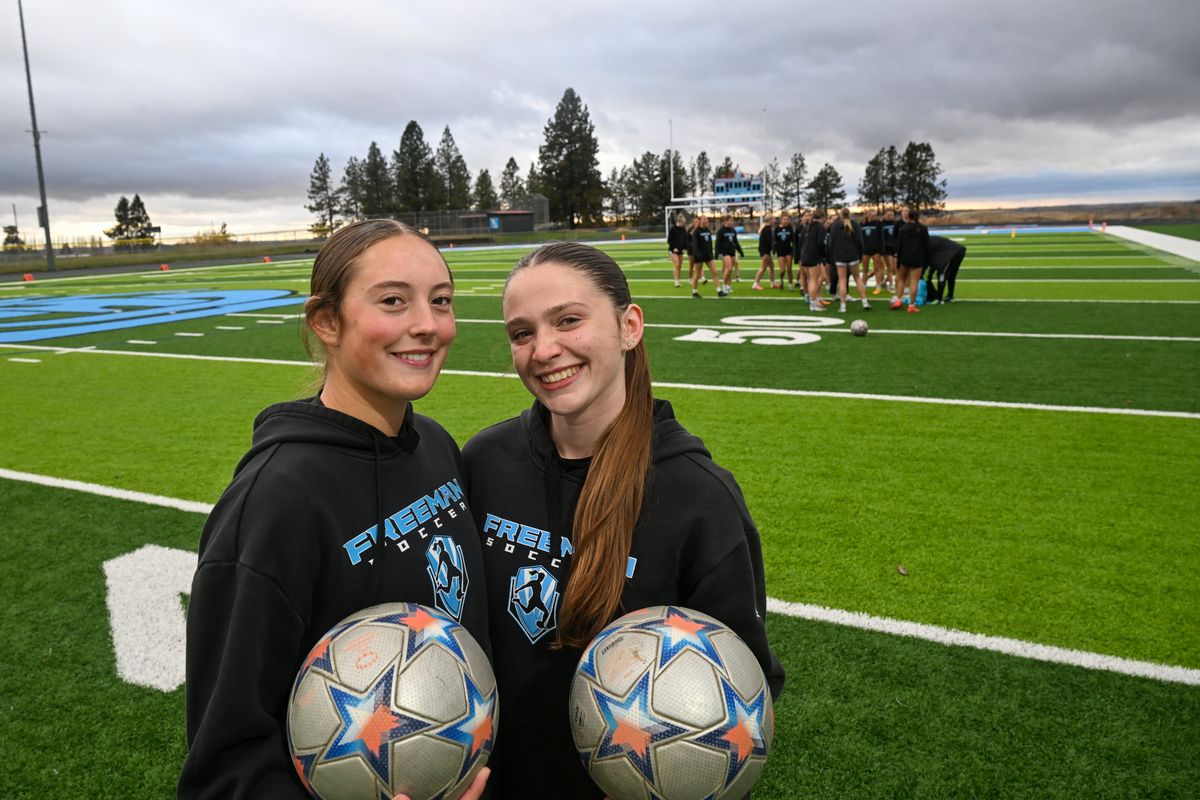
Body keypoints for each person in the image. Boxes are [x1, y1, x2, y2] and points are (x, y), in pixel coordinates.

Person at [179, 220, 491, 800]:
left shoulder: (439, 447)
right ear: (326, 321)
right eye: (393, 301)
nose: (427, 324)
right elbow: (225, 770)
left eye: (441, 301)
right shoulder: (276, 501)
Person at [463, 242, 785, 799]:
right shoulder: (485, 461)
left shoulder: (697, 497)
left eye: (568, 320)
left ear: (629, 326)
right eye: (522, 333)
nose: (544, 350)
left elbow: (744, 687)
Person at [828, 207, 870, 313]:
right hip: (853, 255)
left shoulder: (835, 225)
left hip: (839, 256)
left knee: (842, 280)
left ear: (840, 215)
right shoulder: (855, 224)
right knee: (857, 279)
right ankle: (865, 302)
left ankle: (843, 306)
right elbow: (860, 241)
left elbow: (831, 242)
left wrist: (831, 256)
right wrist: (859, 255)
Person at [893, 209, 930, 313]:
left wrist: (898, 260)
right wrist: (927, 260)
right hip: (917, 258)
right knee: (914, 282)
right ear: (917, 217)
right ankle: (911, 305)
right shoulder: (923, 229)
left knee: (901, 279)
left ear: (908, 217)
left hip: (905, 257)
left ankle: (898, 300)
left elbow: (899, 246)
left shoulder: (903, 228)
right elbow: (927, 245)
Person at [798, 210, 827, 312]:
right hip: (813, 256)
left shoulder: (806, 227)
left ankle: (813, 302)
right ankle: (813, 304)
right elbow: (820, 243)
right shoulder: (819, 227)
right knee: (814, 280)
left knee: (810, 280)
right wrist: (823, 255)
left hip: (804, 256)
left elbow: (800, 243)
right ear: (822, 218)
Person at [690, 215, 725, 297]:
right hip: (699, 257)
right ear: (700, 221)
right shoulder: (696, 231)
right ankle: (694, 292)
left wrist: (711, 254)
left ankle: (719, 291)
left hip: (708, 256)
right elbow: (694, 245)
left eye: (707, 219)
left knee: (715, 272)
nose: (706, 221)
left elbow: (709, 243)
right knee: (697, 274)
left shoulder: (708, 230)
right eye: (704, 219)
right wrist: (699, 255)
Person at [925, 235, 967, 303]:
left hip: (953, 253)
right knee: (951, 275)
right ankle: (950, 295)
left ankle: (939, 298)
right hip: (959, 251)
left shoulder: (926, 244)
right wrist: (929, 276)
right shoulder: (929, 240)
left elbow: (933, 262)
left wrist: (929, 276)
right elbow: (932, 261)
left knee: (942, 274)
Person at [716, 214, 745, 291]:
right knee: (728, 268)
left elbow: (736, 242)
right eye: (731, 220)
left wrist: (740, 251)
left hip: (732, 251)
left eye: (732, 220)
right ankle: (724, 286)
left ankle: (729, 286)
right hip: (724, 252)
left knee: (730, 270)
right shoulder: (721, 230)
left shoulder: (733, 230)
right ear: (726, 221)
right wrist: (717, 253)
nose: (732, 222)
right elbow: (717, 243)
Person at [860, 209, 885, 294]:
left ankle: (878, 287)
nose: (874, 217)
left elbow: (881, 237)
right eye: (873, 215)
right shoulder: (862, 224)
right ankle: (863, 287)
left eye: (875, 215)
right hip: (865, 250)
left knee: (877, 269)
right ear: (867, 215)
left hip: (876, 250)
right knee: (865, 270)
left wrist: (881, 251)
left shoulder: (878, 224)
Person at [752, 213, 775, 290]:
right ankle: (755, 283)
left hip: (765, 250)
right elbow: (769, 241)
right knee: (763, 268)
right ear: (770, 220)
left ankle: (772, 283)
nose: (774, 221)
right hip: (765, 251)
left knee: (772, 267)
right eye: (773, 219)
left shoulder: (766, 228)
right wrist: (773, 249)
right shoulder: (767, 229)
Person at [667, 213, 689, 288]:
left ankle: (678, 280)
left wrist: (685, 248)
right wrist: (674, 248)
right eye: (683, 222)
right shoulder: (672, 229)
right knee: (676, 265)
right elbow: (669, 240)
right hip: (673, 250)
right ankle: (676, 281)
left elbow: (685, 239)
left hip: (681, 250)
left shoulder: (683, 229)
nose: (684, 224)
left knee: (680, 266)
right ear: (679, 221)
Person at [881, 208, 901, 292]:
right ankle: (891, 285)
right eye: (888, 215)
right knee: (890, 267)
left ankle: (884, 282)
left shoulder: (896, 223)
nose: (890, 216)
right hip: (886, 249)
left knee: (895, 269)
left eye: (892, 215)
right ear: (885, 215)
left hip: (895, 248)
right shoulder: (882, 224)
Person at [774, 213, 795, 289]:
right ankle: (781, 279)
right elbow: (774, 240)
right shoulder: (777, 229)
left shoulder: (790, 228)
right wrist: (774, 249)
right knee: (782, 270)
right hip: (780, 252)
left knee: (789, 268)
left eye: (787, 219)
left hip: (788, 251)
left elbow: (793, 240)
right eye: (784, 219)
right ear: (781, 220)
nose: (786, 221)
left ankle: (790, 285)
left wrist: (794, 250)